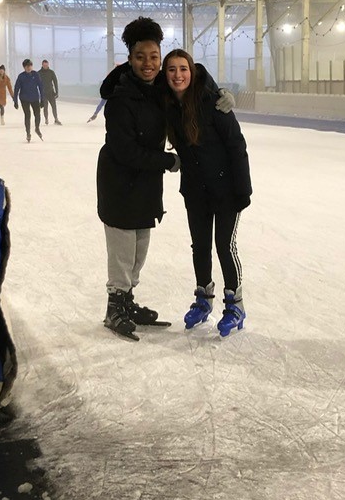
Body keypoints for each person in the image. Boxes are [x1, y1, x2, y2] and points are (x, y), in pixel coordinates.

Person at [97, 17, 179, 341]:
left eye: (154, 56)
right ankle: (114, 307)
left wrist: (218, 94)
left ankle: (127, 302)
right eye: (141, 57)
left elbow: (190, 79)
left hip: (146, 182)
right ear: (129, 59)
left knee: (139, 248)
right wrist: (169, 161)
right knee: (122, 250)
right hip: (120, 182)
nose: (148, 63)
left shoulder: (159, 90)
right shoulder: (121, 98)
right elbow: (126, 151)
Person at [162, 49, 252, 338]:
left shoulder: (213, 102)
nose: (178, 75)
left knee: (225, 246)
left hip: (226, 190)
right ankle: (204, 299)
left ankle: (235, 305)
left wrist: (243, 189)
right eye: (171, 69)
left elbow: (237, 145)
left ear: (192, 71)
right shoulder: (167, 105)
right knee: (200, 246)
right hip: (195, 191)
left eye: (183, 69)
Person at [13, 59, 44, 142]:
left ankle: (37, 128)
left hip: (35, 98)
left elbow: (41, 87)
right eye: (27, 66)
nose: (29, 68)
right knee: (27, 115)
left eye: (30, 66)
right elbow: (16, 89)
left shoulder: (35, 74)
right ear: (24, 67)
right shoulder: (21, 76)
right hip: (24, 98)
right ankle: (28, 133)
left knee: (37, 114)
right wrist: (15, 101)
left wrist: (42, 99)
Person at [38, 59, 61, 125]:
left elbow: (55, 82)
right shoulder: (39, 73)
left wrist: (57, 92)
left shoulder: (51, 72)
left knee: (54, 106)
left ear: (48, 65)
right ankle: (46, 119)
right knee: (45, 107)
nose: (45, 66)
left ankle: (56, 119)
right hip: (43, 93)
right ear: (42, 65)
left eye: (46, 65)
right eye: (44, 65)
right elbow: (35, 83)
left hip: (51, 92)